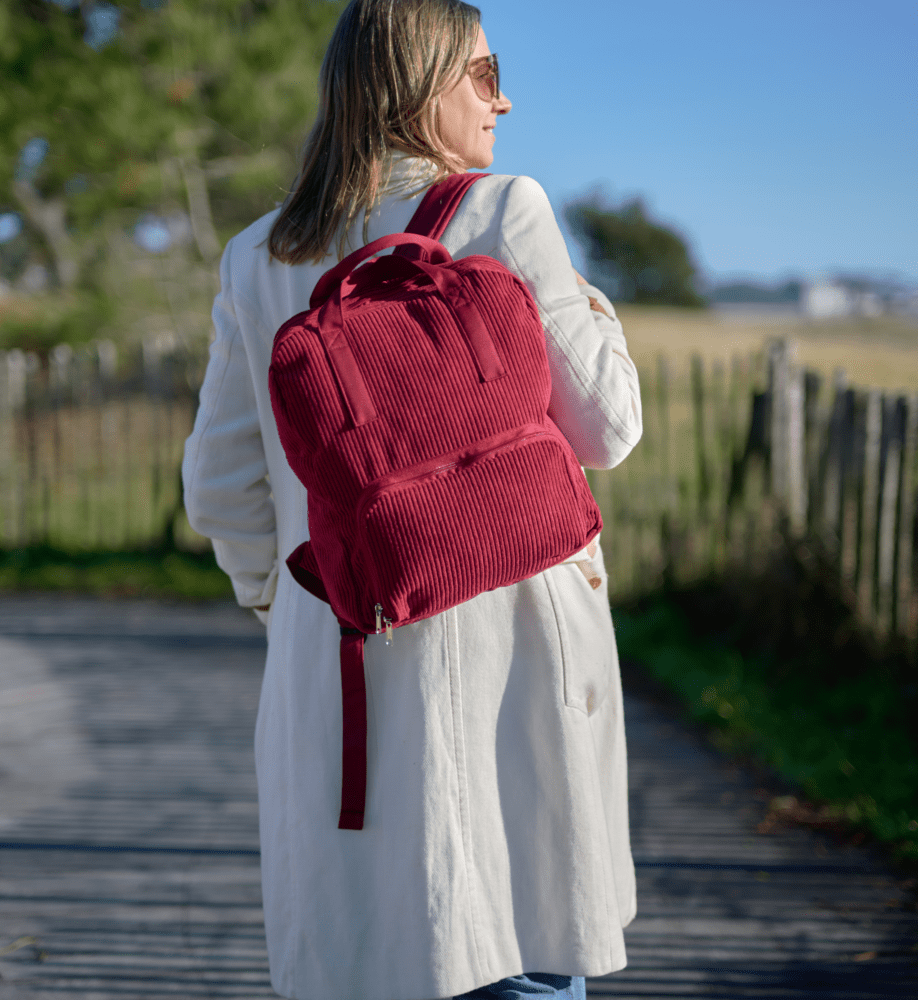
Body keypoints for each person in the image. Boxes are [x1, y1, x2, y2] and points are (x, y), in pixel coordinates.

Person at [182, 2, 643, 998]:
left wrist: (296, 602)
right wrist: (586, 298)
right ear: (419, 83)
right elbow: (608, 426)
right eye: (484, 74)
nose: (502, 101)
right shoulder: (503, 212)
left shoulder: (258, 255)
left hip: (340, 668)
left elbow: (218, 487)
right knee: (520, 939)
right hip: (514, 667)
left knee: (370, 951)